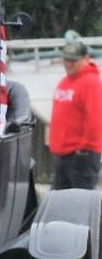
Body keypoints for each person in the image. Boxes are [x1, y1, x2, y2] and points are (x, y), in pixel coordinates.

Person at [50, 31, 101, 191]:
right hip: (62, 154)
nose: (68, 64)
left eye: (73, 60)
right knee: (60, 203)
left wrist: (84, 149)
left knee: (80, 204)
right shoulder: (65, 81)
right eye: (66, 59)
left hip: (80, 156)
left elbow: (95, 119)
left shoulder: (91, 83)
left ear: (86, 59)